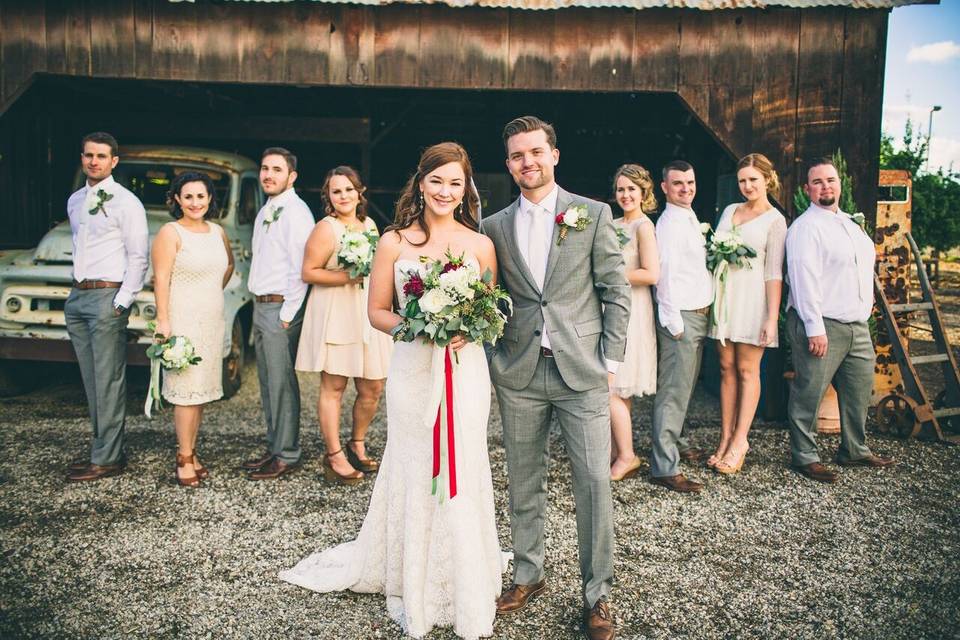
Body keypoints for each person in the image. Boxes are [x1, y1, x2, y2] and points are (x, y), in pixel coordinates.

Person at [280, 142, 506, 640]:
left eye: (455, 183)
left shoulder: (481, 244)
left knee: (462, 458)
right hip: (412, 368)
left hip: (463, 371)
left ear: (465, 188)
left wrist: (468, 327)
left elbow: (492, 311)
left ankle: (464, 574)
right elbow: (377, 311)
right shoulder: (393, 241)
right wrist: (419, 326)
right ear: (420, 183)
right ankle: (411, 572)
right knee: (416, 458)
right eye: (437, 181)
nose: (446, 191)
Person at [482, 116, 630, 640]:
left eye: (537, 152)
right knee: (524, 479)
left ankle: (598, 594)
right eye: (518, 155)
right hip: (519, 372)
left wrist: (609, 364)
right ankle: (528, 574)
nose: (529, 162)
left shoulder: (591, 214)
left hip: (582, 372)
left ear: (554, 155)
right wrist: (489, 354)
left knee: (593, 482)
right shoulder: (494, 226)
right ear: (509, 164)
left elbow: (616, 291)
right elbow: (488, 299)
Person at [785, 157, 895, 483]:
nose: (825, 186)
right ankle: (804, 457)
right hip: (822, 324)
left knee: (859, 389)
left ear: (840, 183)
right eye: (817, 182)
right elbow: (803, 280)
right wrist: (814, 328)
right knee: (809, 390)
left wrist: (868, 303)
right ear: (807, 190)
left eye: (830, 180)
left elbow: (862, 268)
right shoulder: (805, 228)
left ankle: (854, 450)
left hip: (856, 325)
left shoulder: (850, 223)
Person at [296, 166, 392, 484]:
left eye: (349, 189)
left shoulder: (369, 225)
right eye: (336, 191)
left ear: (359, 192)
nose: (344, 196)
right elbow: (309, 272)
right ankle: (334, 455)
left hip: (365, 311)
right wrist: (347, 276)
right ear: (329, 197)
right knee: (334, 387)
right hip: (336, 311)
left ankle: (357, 442)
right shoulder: (326, 229)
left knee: (372, 387)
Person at [65, 132, 148, 482]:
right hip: (78, 296)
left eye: (101, 156)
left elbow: (139, 257)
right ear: (82, 158)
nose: (94, 161)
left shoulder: (126, 202)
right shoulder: (74, 200)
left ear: (114, 161)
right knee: (90, 379)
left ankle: (108, 457)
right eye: (88, 155)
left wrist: (121, 302)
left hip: (107, 298)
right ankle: (104, 449)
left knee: (108, 380)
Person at [151, 172, 234, 487]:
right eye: (188, 197)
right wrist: (163, 320)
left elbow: (228, 267)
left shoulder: (217, 232)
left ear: (210, 198)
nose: (195, 202)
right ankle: (183, 456)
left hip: (211, 318)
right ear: (177, 200)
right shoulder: (170, 233)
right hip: (182, 319)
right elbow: (160, 279)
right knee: (185, 392)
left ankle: (192, 450)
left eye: (201, 196)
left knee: (199, 391)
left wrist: (209, 291)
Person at [707, 154, 787, 474]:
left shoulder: (775, 220)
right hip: (725, 297)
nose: (747, 186)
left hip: (754, 300)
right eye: (742, 180)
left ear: (768, 179)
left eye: (753, 179)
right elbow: (715, 253)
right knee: (725, 367)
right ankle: (725, 437)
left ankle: (741, 441)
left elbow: (774, 273)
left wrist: (771, 317)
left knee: (746, 370)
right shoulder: (729, 211)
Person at [243, 147, 315, 480]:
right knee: (268, 382)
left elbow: (301, 268)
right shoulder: (268, 209)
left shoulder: (296, 212)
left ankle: (287, 452)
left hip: (280, 307)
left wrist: (287, 314)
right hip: (262, 304)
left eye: (276, 169)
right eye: (265, 168)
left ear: (292, 176)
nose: (268, 174)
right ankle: (275, 446)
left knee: (281, 382)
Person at [650, 160, 714, 494]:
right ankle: (664, 466)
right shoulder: (670, 224)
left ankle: (677, 442)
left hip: (698, 313)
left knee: (685, 386)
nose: (686, 188)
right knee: (673, 391)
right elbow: (666, 275)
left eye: (690, 182)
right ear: (664, 187)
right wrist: (673, 322)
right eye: (678, 184)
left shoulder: (688, 217)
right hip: (681, 318)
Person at [609, 164, 659, 482]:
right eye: (620, 189)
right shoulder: (611, 224)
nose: (625, 195)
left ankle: (627, 456)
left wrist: (610, 277)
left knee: (610, 387)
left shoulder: (643, 226)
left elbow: (651, 274)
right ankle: (618, 451)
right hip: (610, 309)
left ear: (643, 192)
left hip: (632, 310)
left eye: (631, 189)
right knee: (617, 388)